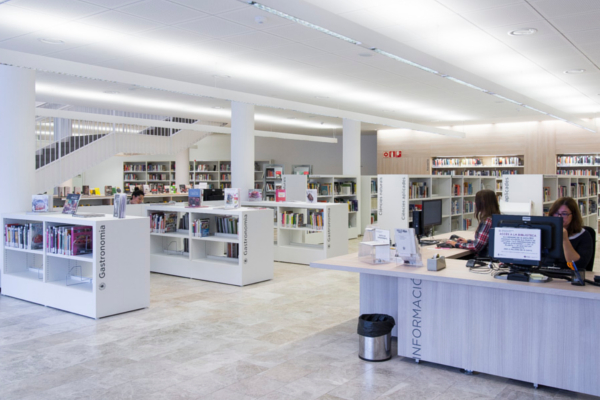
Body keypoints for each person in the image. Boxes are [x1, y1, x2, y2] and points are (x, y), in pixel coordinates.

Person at [445, 189, 500, 257]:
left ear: (482, 203)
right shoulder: (496, 217)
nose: (475, 203)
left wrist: (456, 244)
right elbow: (484, 242)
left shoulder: (488, 221)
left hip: (483, 258)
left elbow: (477, 247)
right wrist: (468, 241)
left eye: (476, 201)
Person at [547, 197, 593, 270]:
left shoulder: (584, 235)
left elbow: (578, 266)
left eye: (564, 214)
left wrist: (565, 240)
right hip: (544, 275)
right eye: (556, 213)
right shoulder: (546, 231)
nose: (559, 217)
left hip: (568, 276)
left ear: (573, 215)